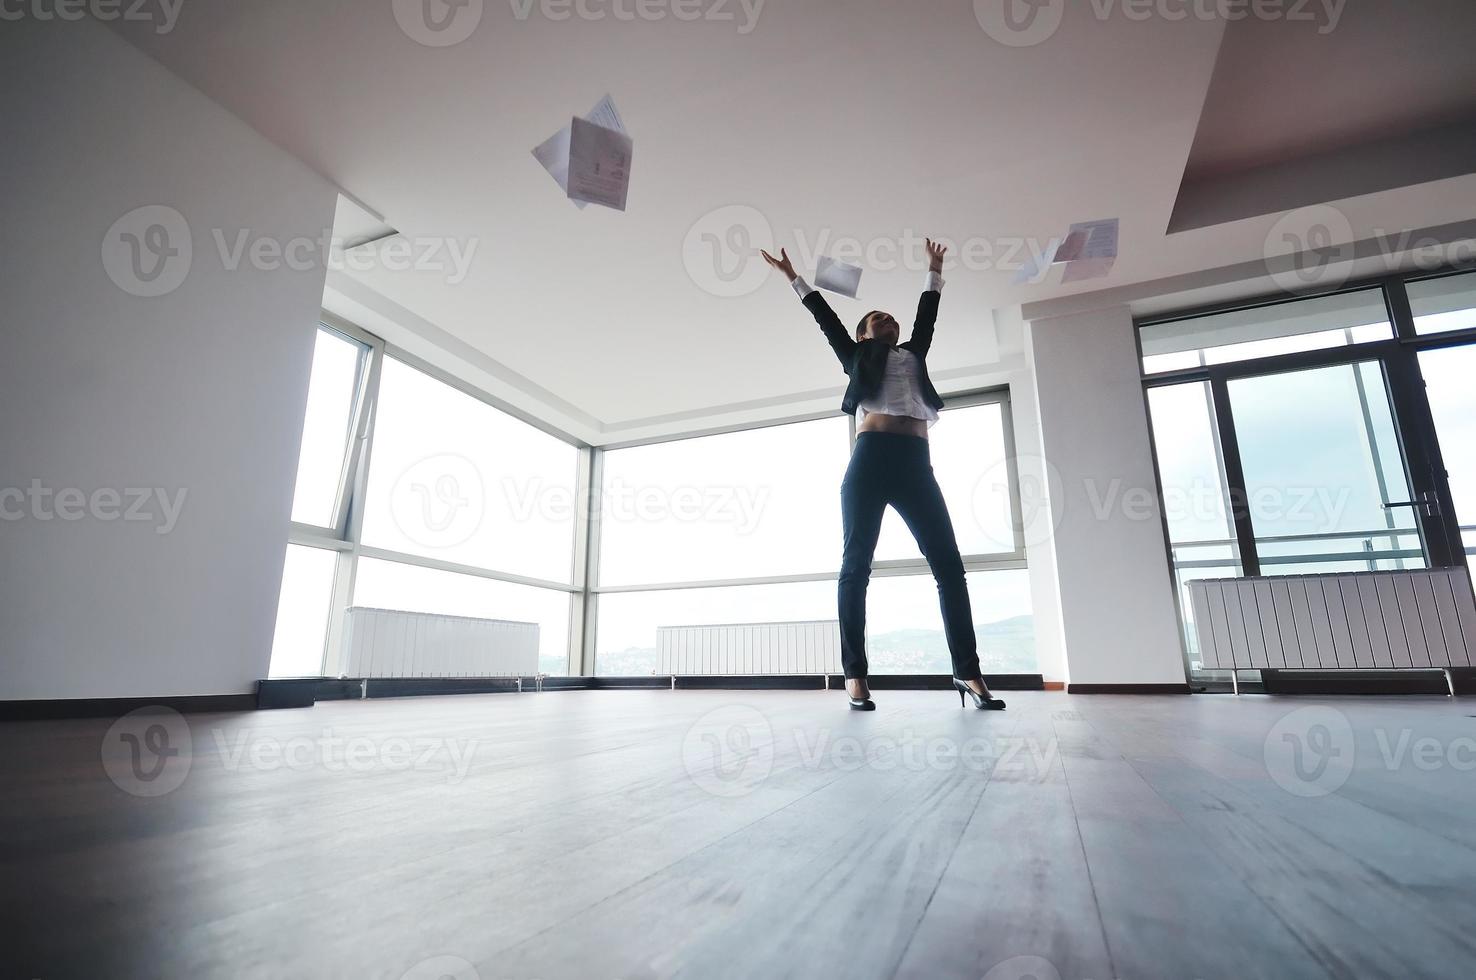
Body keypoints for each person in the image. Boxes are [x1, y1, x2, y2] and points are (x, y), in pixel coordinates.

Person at [761, 239, 1005, 711]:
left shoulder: (914, 354)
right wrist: (794, 276)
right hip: (870, 461)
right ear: (864, 334)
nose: (890, 322)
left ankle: (968, 673)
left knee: (950, 568)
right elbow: (825, 318)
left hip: (916, 464)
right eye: (879, 320)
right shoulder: (855, 357)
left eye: (892, 319)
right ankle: (855, 675)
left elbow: (927, 317)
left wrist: (934, 271)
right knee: (856, 568)